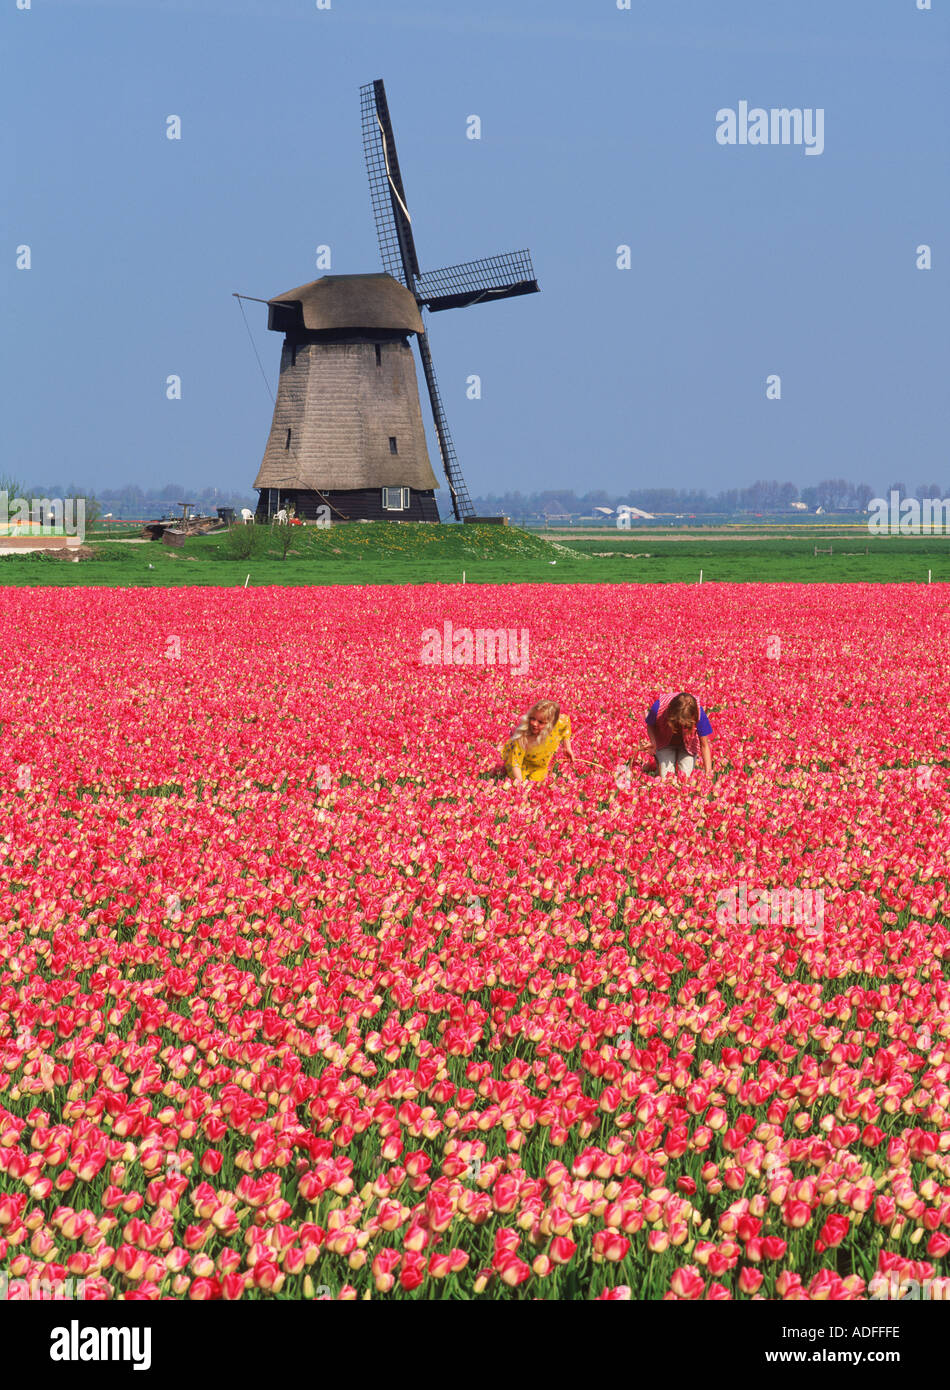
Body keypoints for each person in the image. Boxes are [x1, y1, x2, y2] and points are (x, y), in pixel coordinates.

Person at [501, 700, 574, 784]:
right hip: (520, 760)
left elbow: (566, 723)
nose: (535, 724)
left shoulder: (560, 723)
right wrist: (521, 786)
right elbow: (516, 764)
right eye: (532, 718)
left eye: (540, 722)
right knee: (519, 780)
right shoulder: (523, 736)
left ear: (551, 723)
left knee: (538, 783)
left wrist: (567, 747)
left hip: (540, 763)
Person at [645, 691, 712, 779]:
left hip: (689, 745)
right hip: (664, 742)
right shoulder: (658, 707)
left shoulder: (699, 714)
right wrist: (653, 742)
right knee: (666, 779)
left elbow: (704, 745)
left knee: (685, 778)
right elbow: (650, 725)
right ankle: (657, 769)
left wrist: (708, 773)